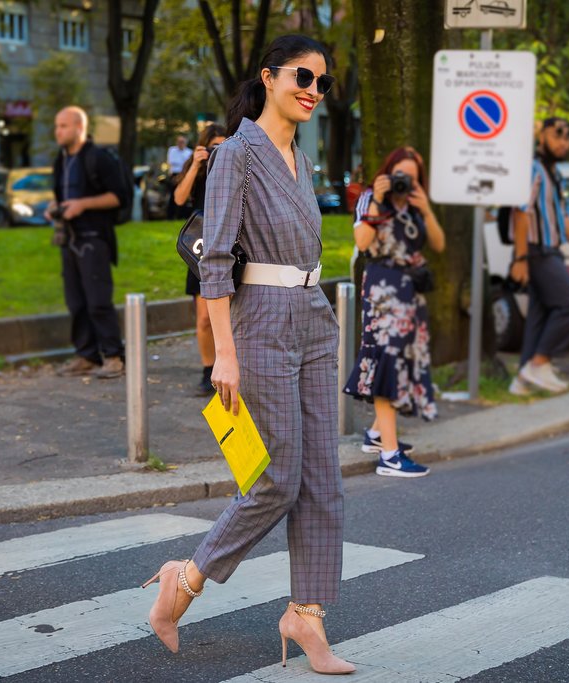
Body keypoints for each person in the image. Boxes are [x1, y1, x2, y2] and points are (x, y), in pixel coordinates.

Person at [142, 35, 355, 675]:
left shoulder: (304, 160)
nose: (314, 89)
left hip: (315, 319)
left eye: (322, 81)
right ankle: (185, 577)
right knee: (275, 478)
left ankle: (307, 616)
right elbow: (215, 264)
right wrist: (224, 356)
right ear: (268, 77)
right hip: (258, 323)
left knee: (324, 479)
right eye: (302, 76)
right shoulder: (236, 154)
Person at [343, 147, 445, 478]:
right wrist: (377, 203)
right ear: (387, 173)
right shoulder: (371, 198)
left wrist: (426, 209)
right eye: (400, 175)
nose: (406, 182)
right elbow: (362, 242)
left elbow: (439, 244)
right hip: (383, 290)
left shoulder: (416, 206)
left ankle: (377, 436)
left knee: (400, 363)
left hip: (409, 292)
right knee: (386, 363)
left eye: (412, 177)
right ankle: (389, 456)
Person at [508, 117, 569, 395]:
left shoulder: (553, 173)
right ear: (542, 136)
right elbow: (521, 212)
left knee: (540, 312)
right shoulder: (533, 170)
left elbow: (563, 218)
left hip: (550, 251)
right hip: (537, 253)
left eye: (567, 136)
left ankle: (522, 381)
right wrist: (520, 258)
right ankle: (540, 363)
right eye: (557, 134)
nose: (563, 141)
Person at [45, 106, 128, 379]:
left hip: (94, 239)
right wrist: (55, 206)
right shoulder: (61, 160)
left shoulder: (99, 158)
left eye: (63, 126)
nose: (58, 131)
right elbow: (63, 195)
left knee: (98, 301)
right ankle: (86, 355)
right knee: (76, 302)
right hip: (68, 239)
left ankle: (114, 356)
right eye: (57, 126)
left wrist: (82, 205)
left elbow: (119, 197)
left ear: (79, 127)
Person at [173, 123, 227, 396]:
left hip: (231, 244)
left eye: (223, 145)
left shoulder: (235, 168)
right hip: (201, 248)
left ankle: (231, 366)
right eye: (213, 146)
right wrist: (195, 165)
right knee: (205, 317)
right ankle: (208, 369)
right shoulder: (199, 171)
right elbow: (179, 198)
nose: (218, 151)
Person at [166, 135, 193, 218]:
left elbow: (188, 164)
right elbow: (172, 162)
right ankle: (170, 216)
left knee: (184, 194)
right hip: (174, 175)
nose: (181, 144)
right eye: (179, 142)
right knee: (173, 195)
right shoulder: (172, 150)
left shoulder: (189, 152)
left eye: (182, 142)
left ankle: (181, 216)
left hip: (184, 175)